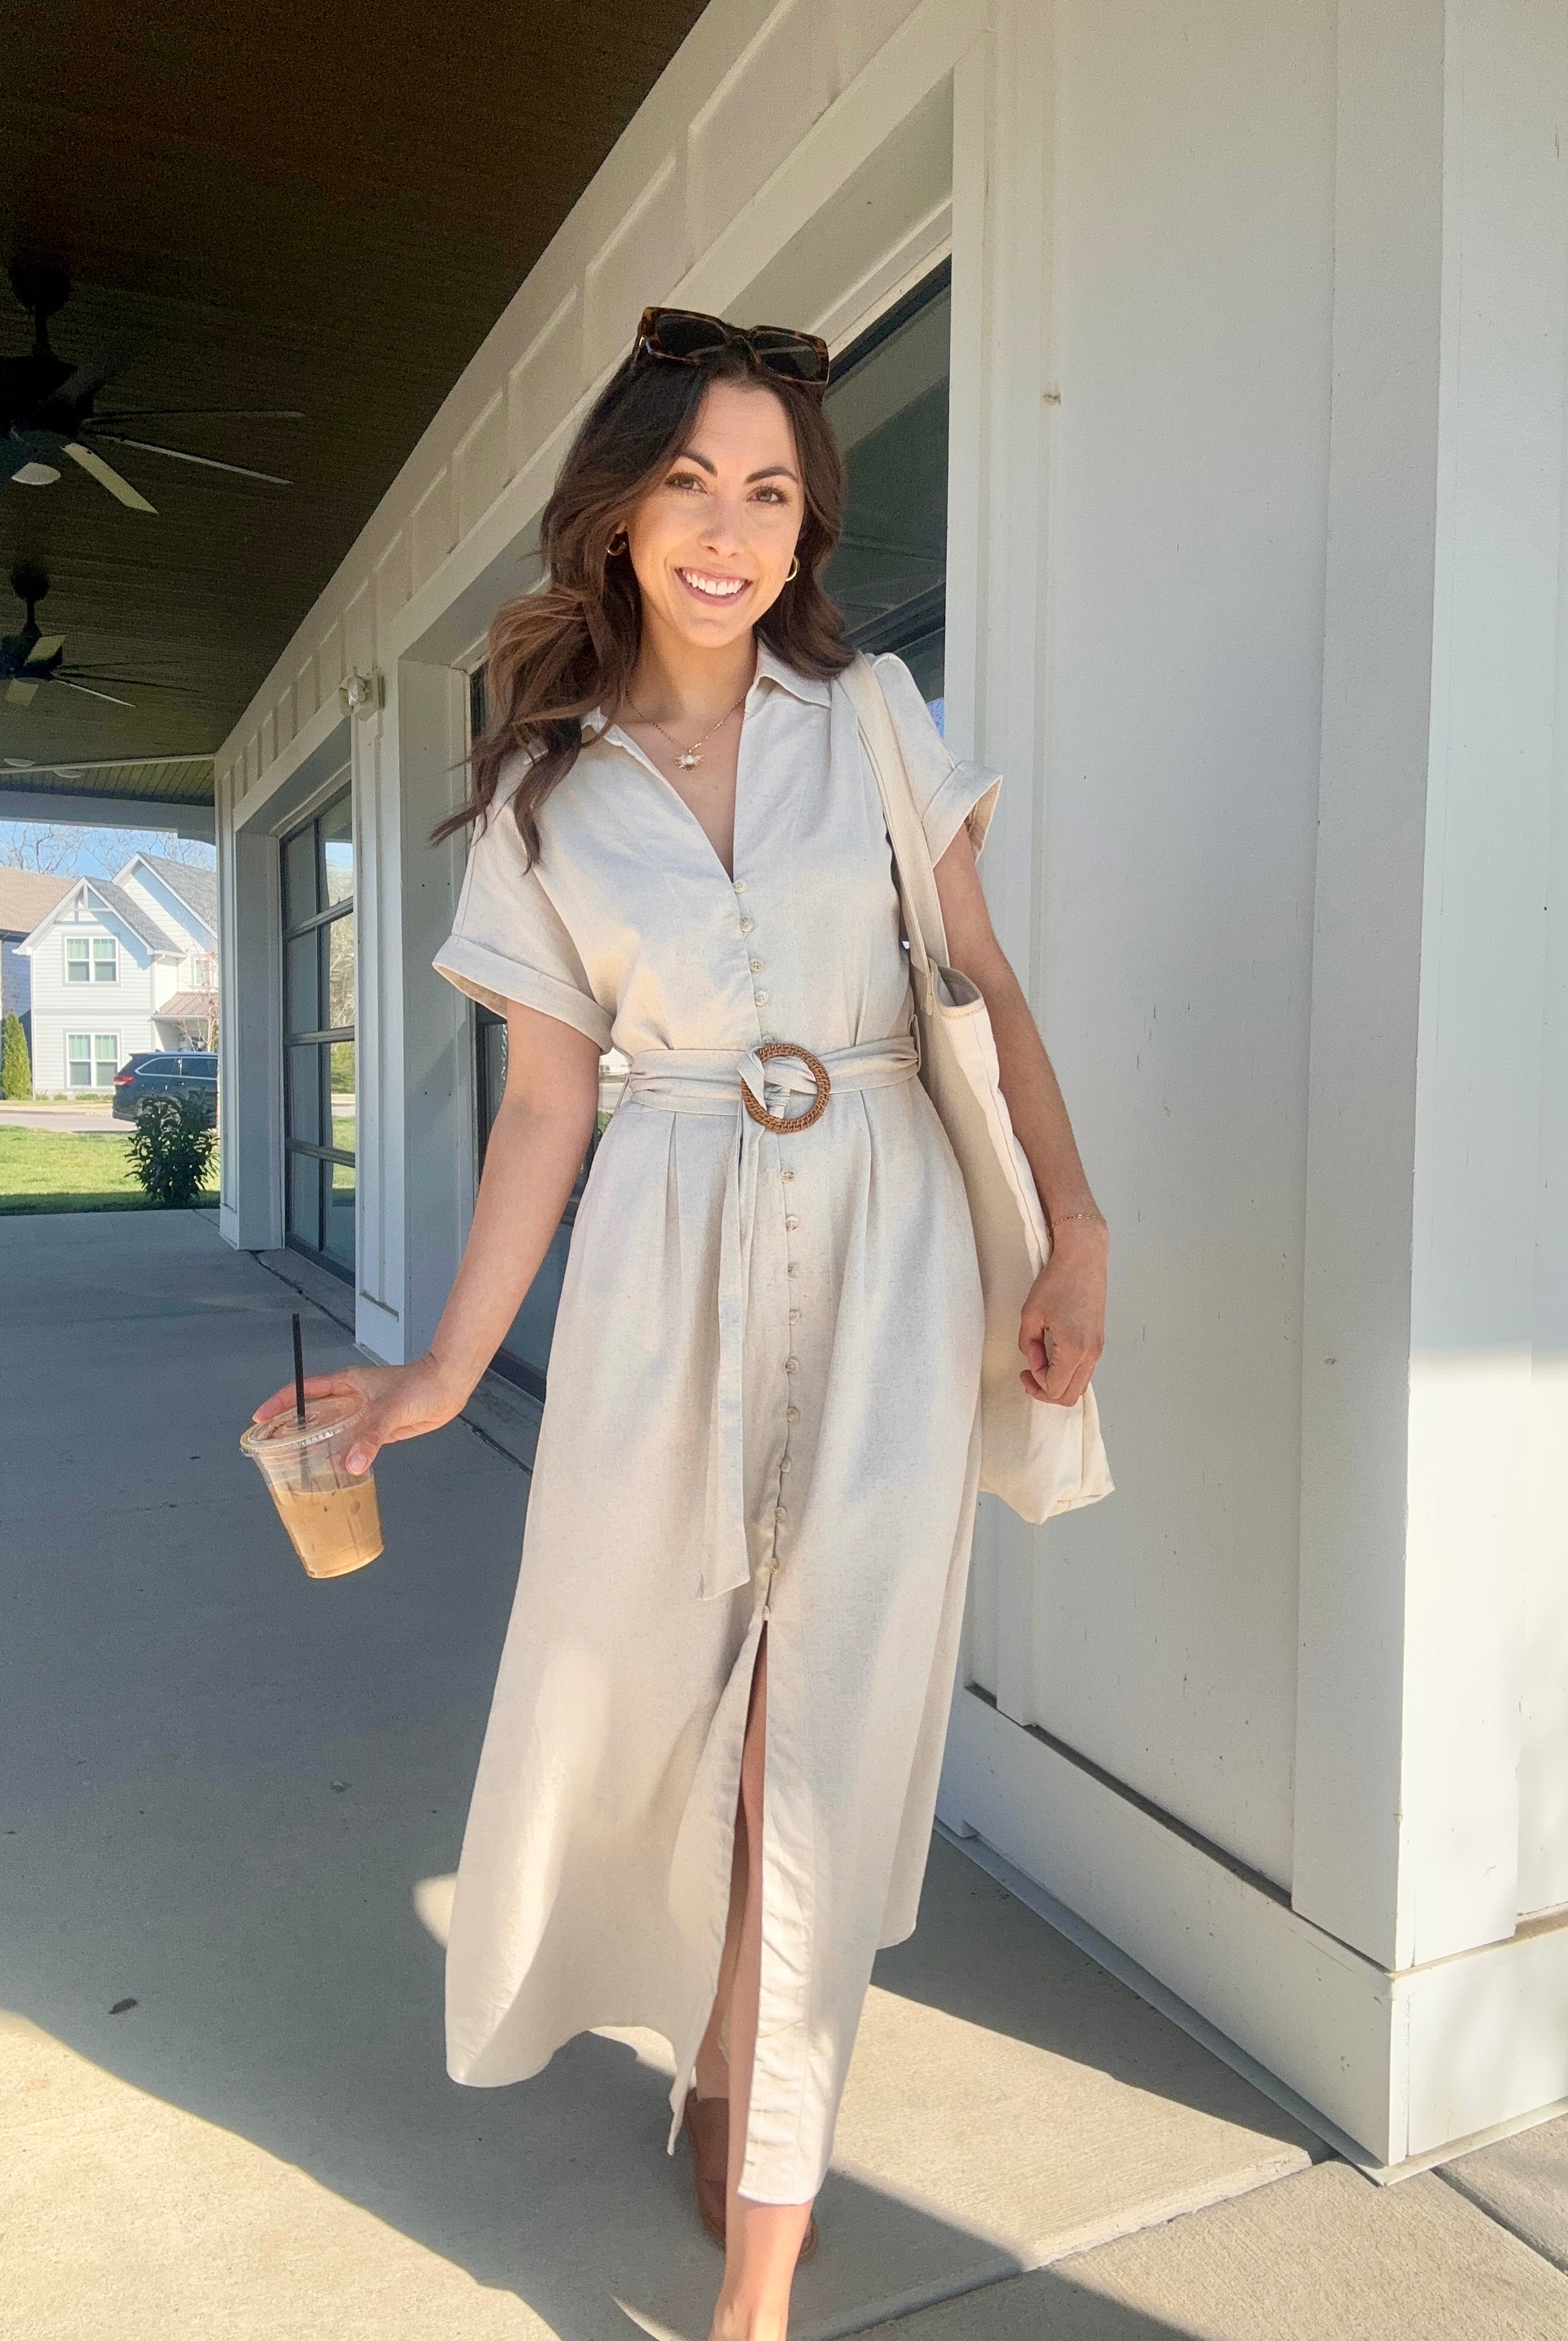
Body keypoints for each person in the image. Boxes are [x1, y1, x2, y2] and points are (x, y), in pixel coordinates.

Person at [252, 304, 1108, 2341]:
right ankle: (723, 2051)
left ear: (804, 529)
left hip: (898, 1243)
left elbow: (975, 988)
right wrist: (442, 1371)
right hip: (661, 1266)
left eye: (771, 492)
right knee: (666, 1712)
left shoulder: (879, 722)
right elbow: (551, 1105)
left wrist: (1074, 1224)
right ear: (621, 510)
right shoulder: (546, 792)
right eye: (688, 485)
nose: (726, 530)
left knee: (819, 1738)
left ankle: (756, 2279)